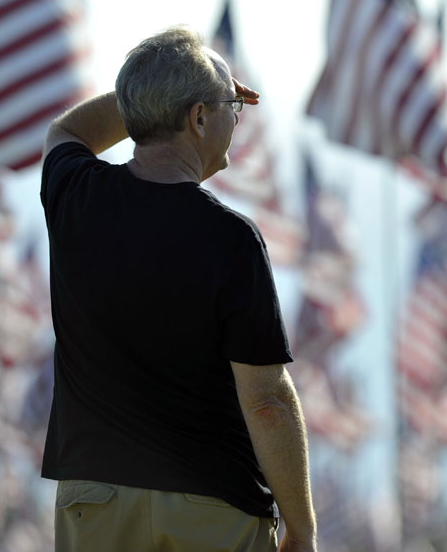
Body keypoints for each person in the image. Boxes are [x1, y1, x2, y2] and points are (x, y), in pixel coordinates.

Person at [40, 27, 317, 552]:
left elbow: (68, 129)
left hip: (93, 502)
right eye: (231, 105)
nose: (237, 116)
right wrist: (301, 528)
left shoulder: (74, 194)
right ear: (198, 119)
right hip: (211, 510)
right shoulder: (231, 239)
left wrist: (159, 96)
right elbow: (266, 404)